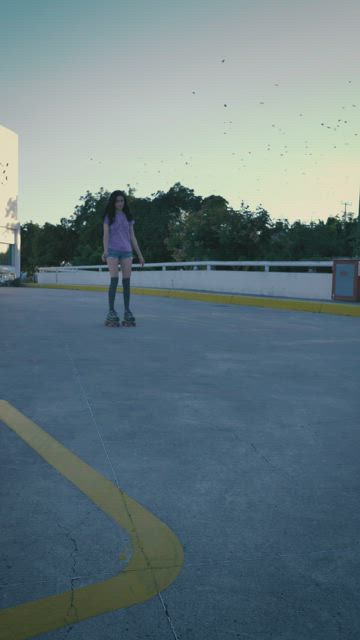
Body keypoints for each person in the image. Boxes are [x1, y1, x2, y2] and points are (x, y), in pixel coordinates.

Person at [102, 190, 145, 326]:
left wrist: (140, 255)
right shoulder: (109, 216)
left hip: (127, 252)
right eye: (117, 201)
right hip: (113, 251)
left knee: (126, 283)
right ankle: (111, 311)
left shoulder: (128, 216)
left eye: (122, 201)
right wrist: (105, 251)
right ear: (113, 202)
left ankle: (127, 311)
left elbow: (132, 237)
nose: (120, 203)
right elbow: (106, 235)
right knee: (114, 280)